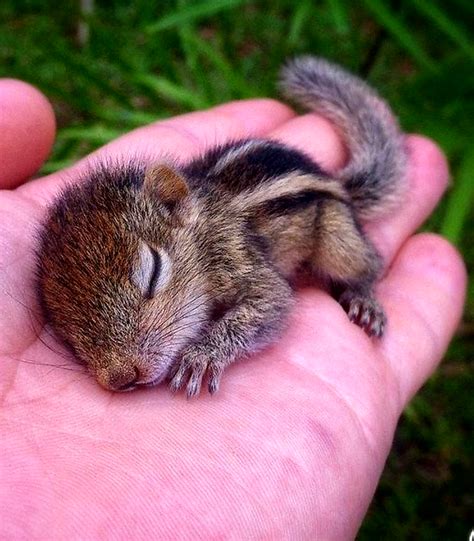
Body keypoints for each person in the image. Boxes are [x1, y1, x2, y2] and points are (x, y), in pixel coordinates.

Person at [0, 79, 465, 539]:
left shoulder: (219, 244)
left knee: (342, 252)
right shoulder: (141, 277)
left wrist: (216, 346)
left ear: (173, 203)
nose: (117, 371)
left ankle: (361, 283)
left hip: (315, 214)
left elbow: (272, 301)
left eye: (152, 279)